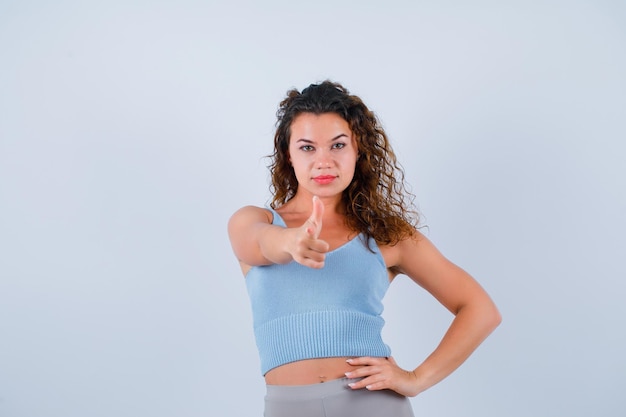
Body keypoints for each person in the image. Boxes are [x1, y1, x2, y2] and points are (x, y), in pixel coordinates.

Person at [228, 80, 501, 417]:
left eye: (338, 145)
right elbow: (258, 243)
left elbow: (480, 309)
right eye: (308, 147)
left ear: (358, 150)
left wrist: (416, 378)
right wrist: (292, 242)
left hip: (371, 405)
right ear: (289, 154)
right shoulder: (253, 221)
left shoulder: (386, 235)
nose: (324, 161)